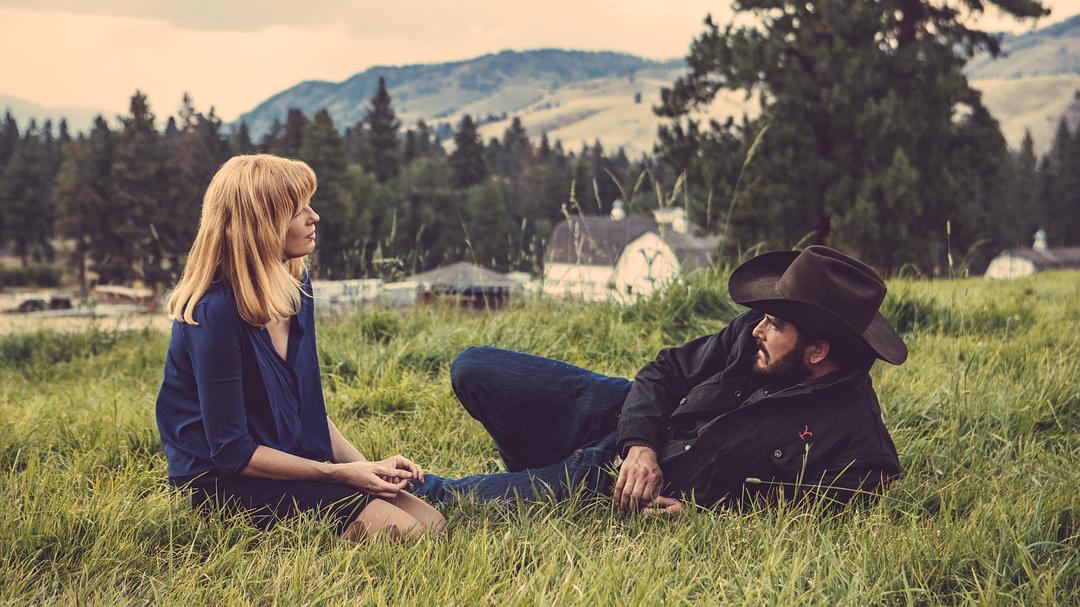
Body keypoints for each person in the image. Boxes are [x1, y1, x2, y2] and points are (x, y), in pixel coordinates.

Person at [412, 246, 907, 515]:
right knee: (474, 367)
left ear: (817, 352)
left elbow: (794, 515)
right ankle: (537, 478)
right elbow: (666, 370)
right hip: (626, 421)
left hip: (627, 482)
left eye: (775, 324)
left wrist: (699, 516)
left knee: (443, 497)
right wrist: (640, 443)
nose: (758, 328)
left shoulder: (859, 453)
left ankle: (399, 492)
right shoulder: (751, 334)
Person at [156, 154, 444, 539]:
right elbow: (232, 452)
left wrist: (371, 471)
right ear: (261, 224)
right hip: (224, 484)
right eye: (297, 210)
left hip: (287, 462)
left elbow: (308, 409)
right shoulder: (213, 312)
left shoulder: (296, 287)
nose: (314, 217)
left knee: (433, 524)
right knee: (412, 536)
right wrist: (338, 474)